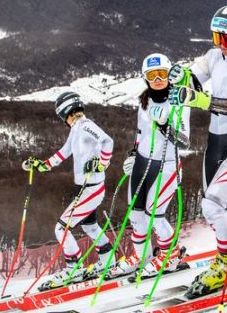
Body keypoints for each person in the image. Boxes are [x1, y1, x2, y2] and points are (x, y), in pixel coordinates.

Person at [167, 5, 227, 298]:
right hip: (216, 139)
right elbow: (194, 77)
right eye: (217, 38)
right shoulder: (215, 55)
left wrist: (199, 101)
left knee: (211, 205)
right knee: (215, 206)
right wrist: (181, 78)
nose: (222, 45)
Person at [108, 53, 190, 280]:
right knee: (135, 214)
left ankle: (170, 256)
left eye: (161, 74)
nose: (157, 80)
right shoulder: (143, 101)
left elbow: (184, 141)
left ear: (169, 74)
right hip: (142, 162)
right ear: (145, 78)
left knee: (155, 214)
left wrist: (164, 124)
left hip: (167, 164)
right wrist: (133, 154)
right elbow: (140, 133)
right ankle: (140, 256)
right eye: (151, 76)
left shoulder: (179, 100)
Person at [25, 91, 115, 289]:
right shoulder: (76, 129)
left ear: (65, 111)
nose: (63, 120)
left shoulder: (86, 125)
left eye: (61, 116)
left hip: (91, 189)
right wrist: (42, 165)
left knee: (61, 227)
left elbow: (108, 141)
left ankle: (74, 269)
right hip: (85, 188)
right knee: (89, 226)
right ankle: (108, 260)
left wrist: (102, 164)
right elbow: (65, 151)